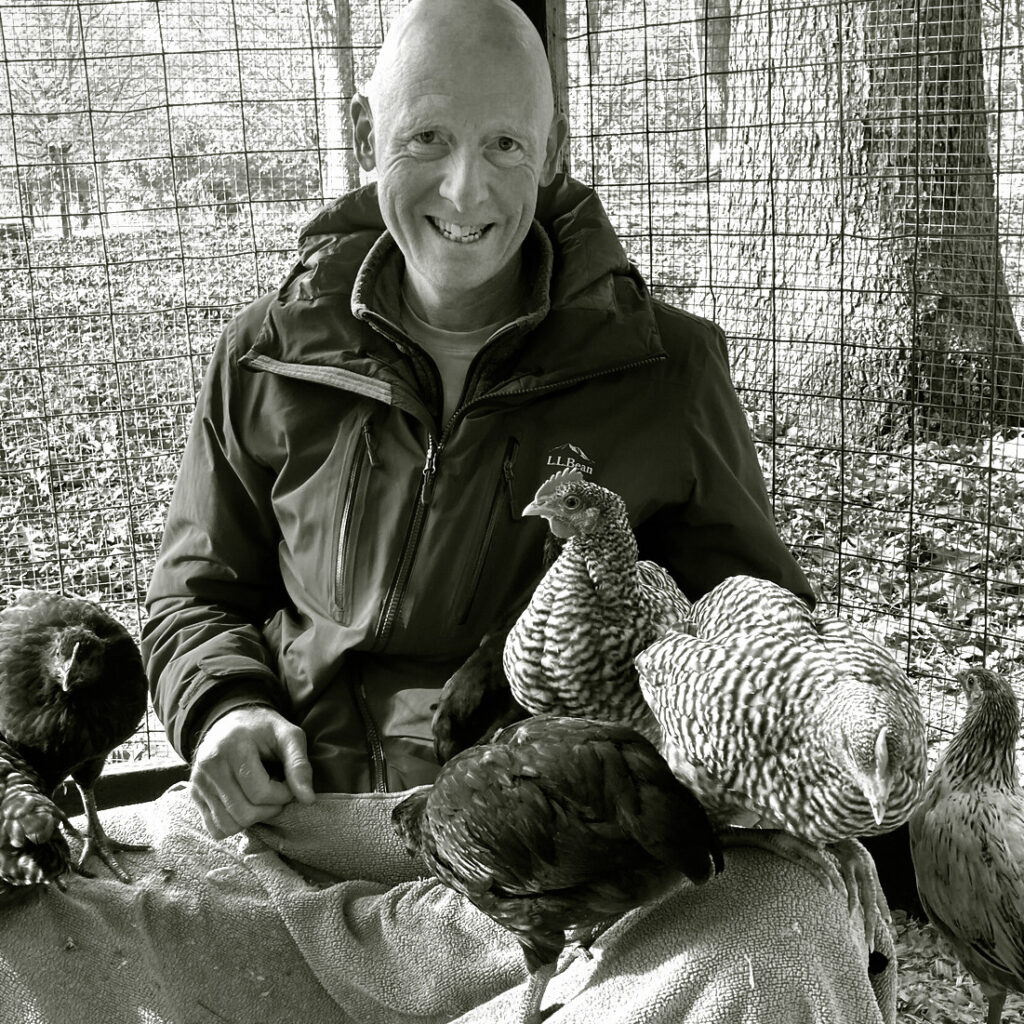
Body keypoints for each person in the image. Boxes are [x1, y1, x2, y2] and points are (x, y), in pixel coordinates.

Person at [123, 0, 895, 1021]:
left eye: (503, 145)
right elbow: (196, 593)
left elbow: (760, 639)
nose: (463, 188)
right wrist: (226, 708)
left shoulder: (664, 372)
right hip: (311, 830)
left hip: (572, 861)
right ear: (365, 135)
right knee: (44, 929)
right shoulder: (264, 358)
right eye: (426, 139)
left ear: (554, 150)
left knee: (771, 938)